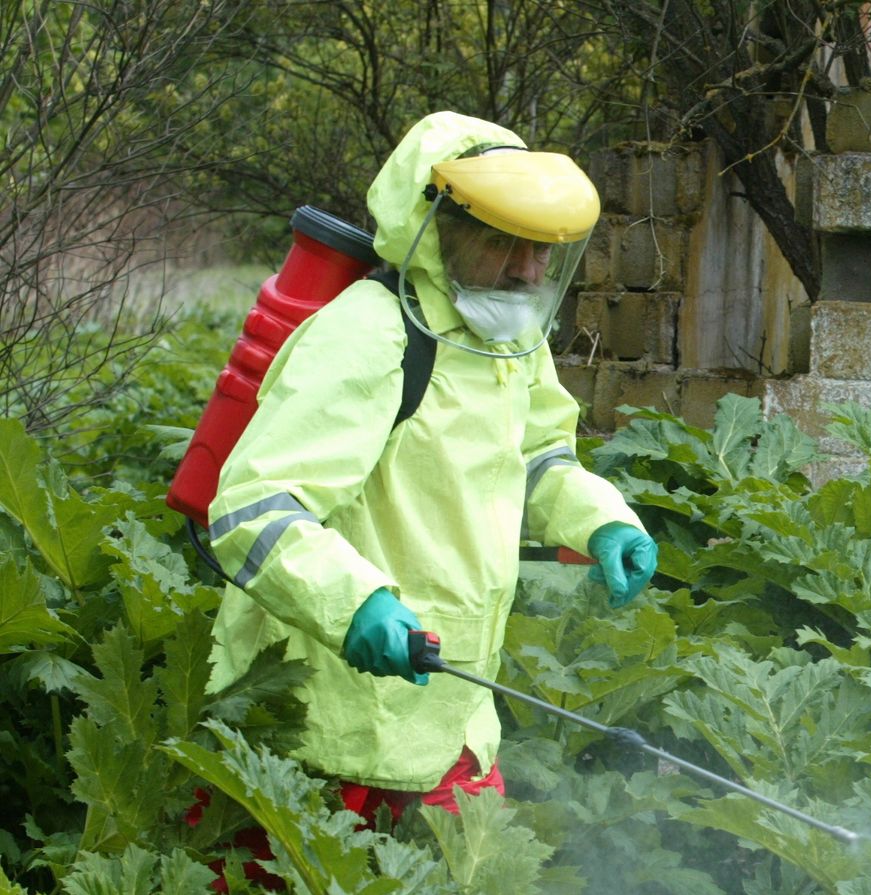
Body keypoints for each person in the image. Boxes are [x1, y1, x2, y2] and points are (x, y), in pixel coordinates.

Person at [203, 111, 657, 822]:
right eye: (505, 241)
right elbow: (252, 508)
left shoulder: (508, 340)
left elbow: (535, 460)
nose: (528, 270)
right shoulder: (370, 335)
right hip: (317, 731)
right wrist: (355, 603)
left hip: (454, 724)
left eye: (541, 248)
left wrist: (601, 521)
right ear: (439, 224)